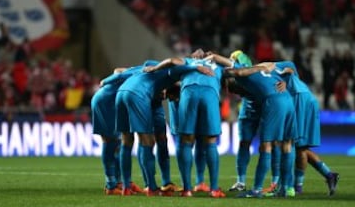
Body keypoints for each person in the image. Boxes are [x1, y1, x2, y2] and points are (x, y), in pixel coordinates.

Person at [116, 60, 213, 196]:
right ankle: (151, 187)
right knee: (147, 141)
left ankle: (126, 186)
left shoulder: (141, 70)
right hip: (139, 95)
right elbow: (173, 62)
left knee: (127, 141)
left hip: (121, 93)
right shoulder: (172, 71)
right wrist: (197, 67)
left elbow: (118, 71)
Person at [209, 52, 297, 197]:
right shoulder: (265, 67)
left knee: (267, 146)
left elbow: (234, 69)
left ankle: (258, 189)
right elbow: (288, 68)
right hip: (286, 101)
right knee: (286, 144)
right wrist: (287, 81)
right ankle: (285, 188)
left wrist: (217, 66)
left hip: (273, 102)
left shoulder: (244, 72)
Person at [275, 61, 339, 196]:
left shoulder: (272, 69)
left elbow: (290, 70)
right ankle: (329, 175)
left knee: (299, 146)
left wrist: (287, 77)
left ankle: (298, 186)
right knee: (301, 147)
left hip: (302, 102)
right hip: (305, 100)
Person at [91, 67, 143, 195]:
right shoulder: (144, 71)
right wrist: (105, 81)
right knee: (110, 141)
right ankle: (110, 185)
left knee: (119, 142)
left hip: (114, 102)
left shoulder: (142, 70)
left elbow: (118, 70)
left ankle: (121, 182)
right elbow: (118, 74)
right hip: (105, 101)